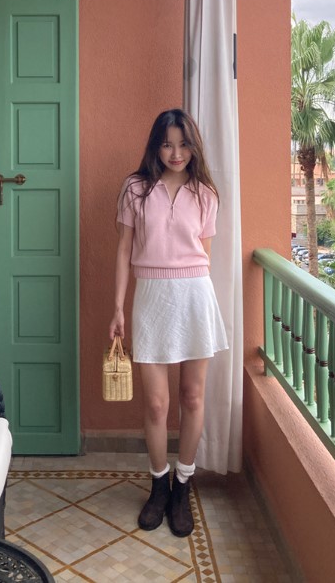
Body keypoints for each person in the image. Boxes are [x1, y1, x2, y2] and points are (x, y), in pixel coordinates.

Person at [109, 108, 228, 537]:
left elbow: (204, 256)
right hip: (151, 297)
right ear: (155, 146)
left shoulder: (206, 193)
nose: (176, 153)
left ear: (193, 146)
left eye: (183, 144)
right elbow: (124, 250)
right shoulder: (135, 188)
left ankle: (182, 486)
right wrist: (118, 307)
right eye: (166, 144)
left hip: (194, 296)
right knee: (157, 404)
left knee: (192, 398)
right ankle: (158, 485)